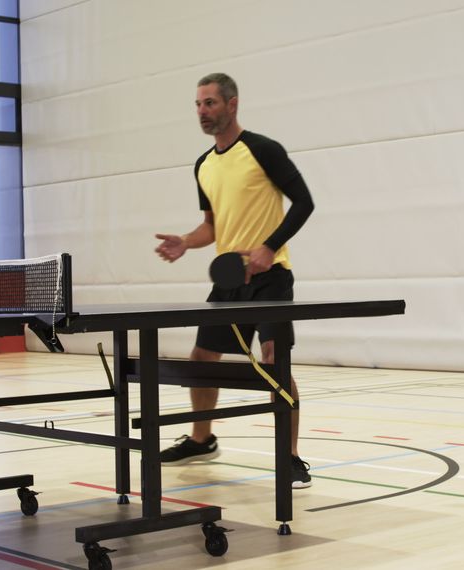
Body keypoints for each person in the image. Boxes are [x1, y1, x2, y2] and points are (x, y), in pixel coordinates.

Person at [154, 73, 315, 488]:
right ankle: (202, 439)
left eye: (210, 103)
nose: (203, 112)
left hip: (271, 275)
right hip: (228, 280)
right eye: (198, 104)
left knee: (274, 361)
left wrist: (268, 246)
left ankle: (291, 456)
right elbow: (212, 226)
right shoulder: (203, 165)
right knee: (201, 359)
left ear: (232, 104)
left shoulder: (263, 150)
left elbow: (304, 203)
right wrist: (187, 242)